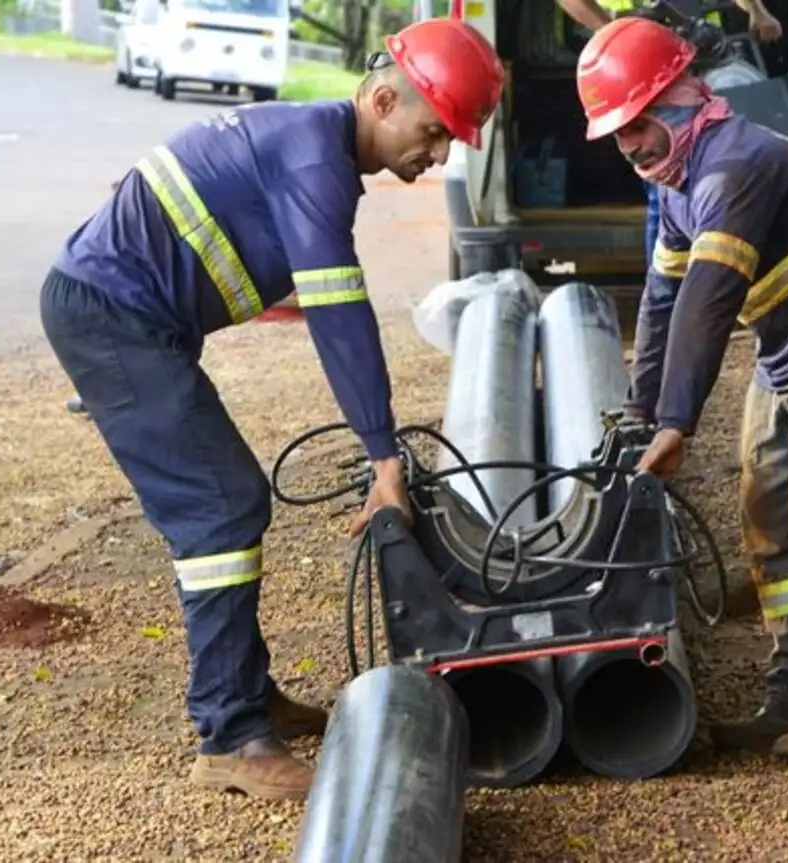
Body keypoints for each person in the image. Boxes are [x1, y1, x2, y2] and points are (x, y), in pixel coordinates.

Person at [39, 18, 504, 800]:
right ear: (384, 99)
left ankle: (247, 696)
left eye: (456, 139)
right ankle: (229, 735)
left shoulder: (312, 148)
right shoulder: (312, 157)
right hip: (109, 318)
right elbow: (339, 313)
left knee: (224, 498)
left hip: (130, 318)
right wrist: (382, 456)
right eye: (434, 131)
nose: (441, 155)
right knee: (220, 505)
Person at [575, 17, 788, 761]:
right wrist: (640, 412)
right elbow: (663, 301)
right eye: (617, 133)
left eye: (635, 124)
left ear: (679, 98)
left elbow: (708, 295)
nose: (628, 145)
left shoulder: (733, 165)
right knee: (765, 506)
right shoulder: (677, 181)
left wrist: (677, 422)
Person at [554, 0, 782, 268]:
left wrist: (757, 12)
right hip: (639, 66)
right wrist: (617, 36)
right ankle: (674, 275)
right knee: (667, 181)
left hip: (695, 58)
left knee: (714, 166)